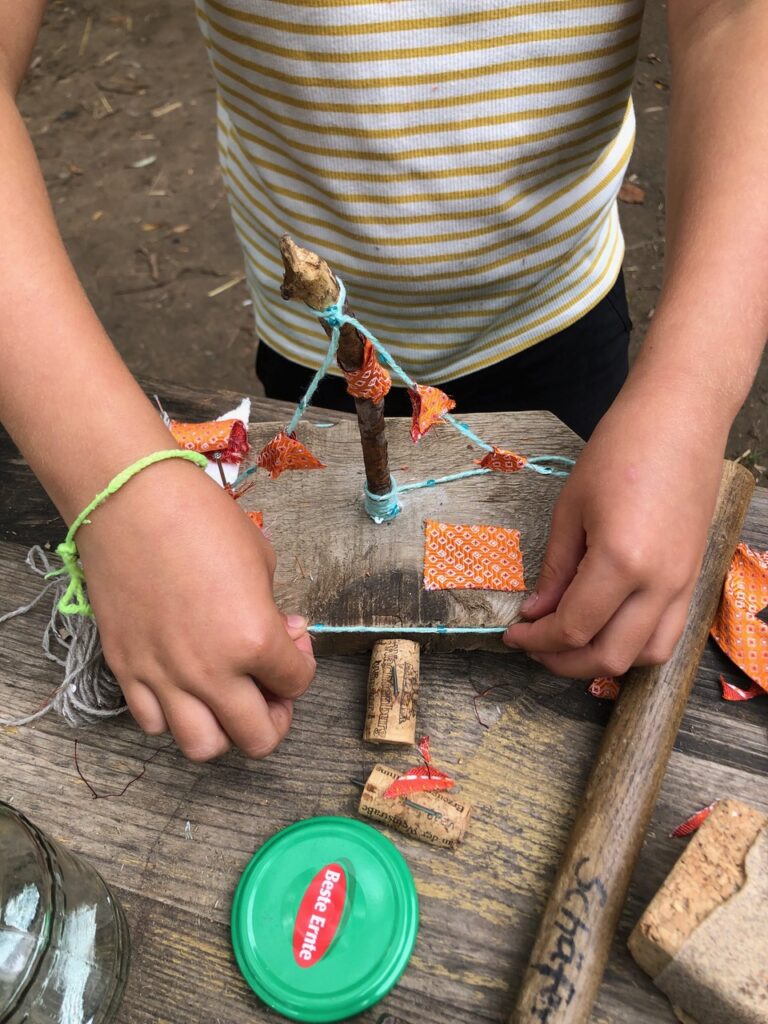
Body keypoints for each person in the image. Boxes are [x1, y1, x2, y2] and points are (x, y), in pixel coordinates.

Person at [0, 2, 765, 761]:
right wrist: (118, 484)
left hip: (565, 320)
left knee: (584, 577)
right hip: (308, 357)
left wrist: (690, 398)